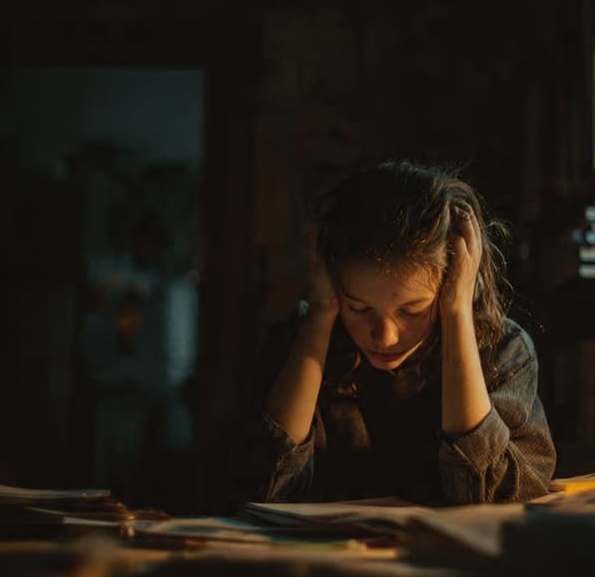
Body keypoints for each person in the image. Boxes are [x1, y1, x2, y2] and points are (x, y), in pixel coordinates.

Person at [215, 160, 555, 508]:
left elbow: (489, 499)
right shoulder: (296, 342)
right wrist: (321, 315)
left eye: (412, 311)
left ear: (455, 283)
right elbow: (260, 491)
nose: (385, 336)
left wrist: (457, 313)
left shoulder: (502, 350)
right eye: (359, 309)